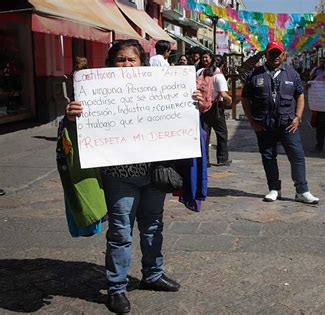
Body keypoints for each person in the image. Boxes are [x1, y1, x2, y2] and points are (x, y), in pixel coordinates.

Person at [65, 39, 205, 314]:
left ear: (142, 63)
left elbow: (182, 120)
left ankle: (153, 274)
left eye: (132, 59)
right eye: (121, 60)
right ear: (110, 64)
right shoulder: (94, 93)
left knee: (153, 226)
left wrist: (193, 105)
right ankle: (116, 288)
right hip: (120, 177)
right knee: (120, 233)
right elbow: (75, 132)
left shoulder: (160, 86)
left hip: (155, 175)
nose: (127, 65)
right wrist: (72, 118)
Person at [241, 41, 319, 204]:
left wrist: (298, 117)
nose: (275, 56)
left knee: (297, 156)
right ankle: (274, 188)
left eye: (278, 53)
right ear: (266, 54)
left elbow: (300, 95)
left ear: (283, 55)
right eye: (272, 53)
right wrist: (251, 121)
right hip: (264, 125)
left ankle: (302, 191)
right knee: (268, 157)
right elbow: (245, 98)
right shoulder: (255, 74)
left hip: (288, 124)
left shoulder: (292, 74)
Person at [197, 52, 232, 167]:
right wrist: (229, 99)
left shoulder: (199, 72)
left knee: (205, 135)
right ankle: (222, 159)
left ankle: (204, 161)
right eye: (204, 57)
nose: (204, 59)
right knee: (222, 133)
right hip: (216, 107)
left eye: (205, 57)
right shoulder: (218, 74)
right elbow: (223, 93)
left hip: (202, 107)